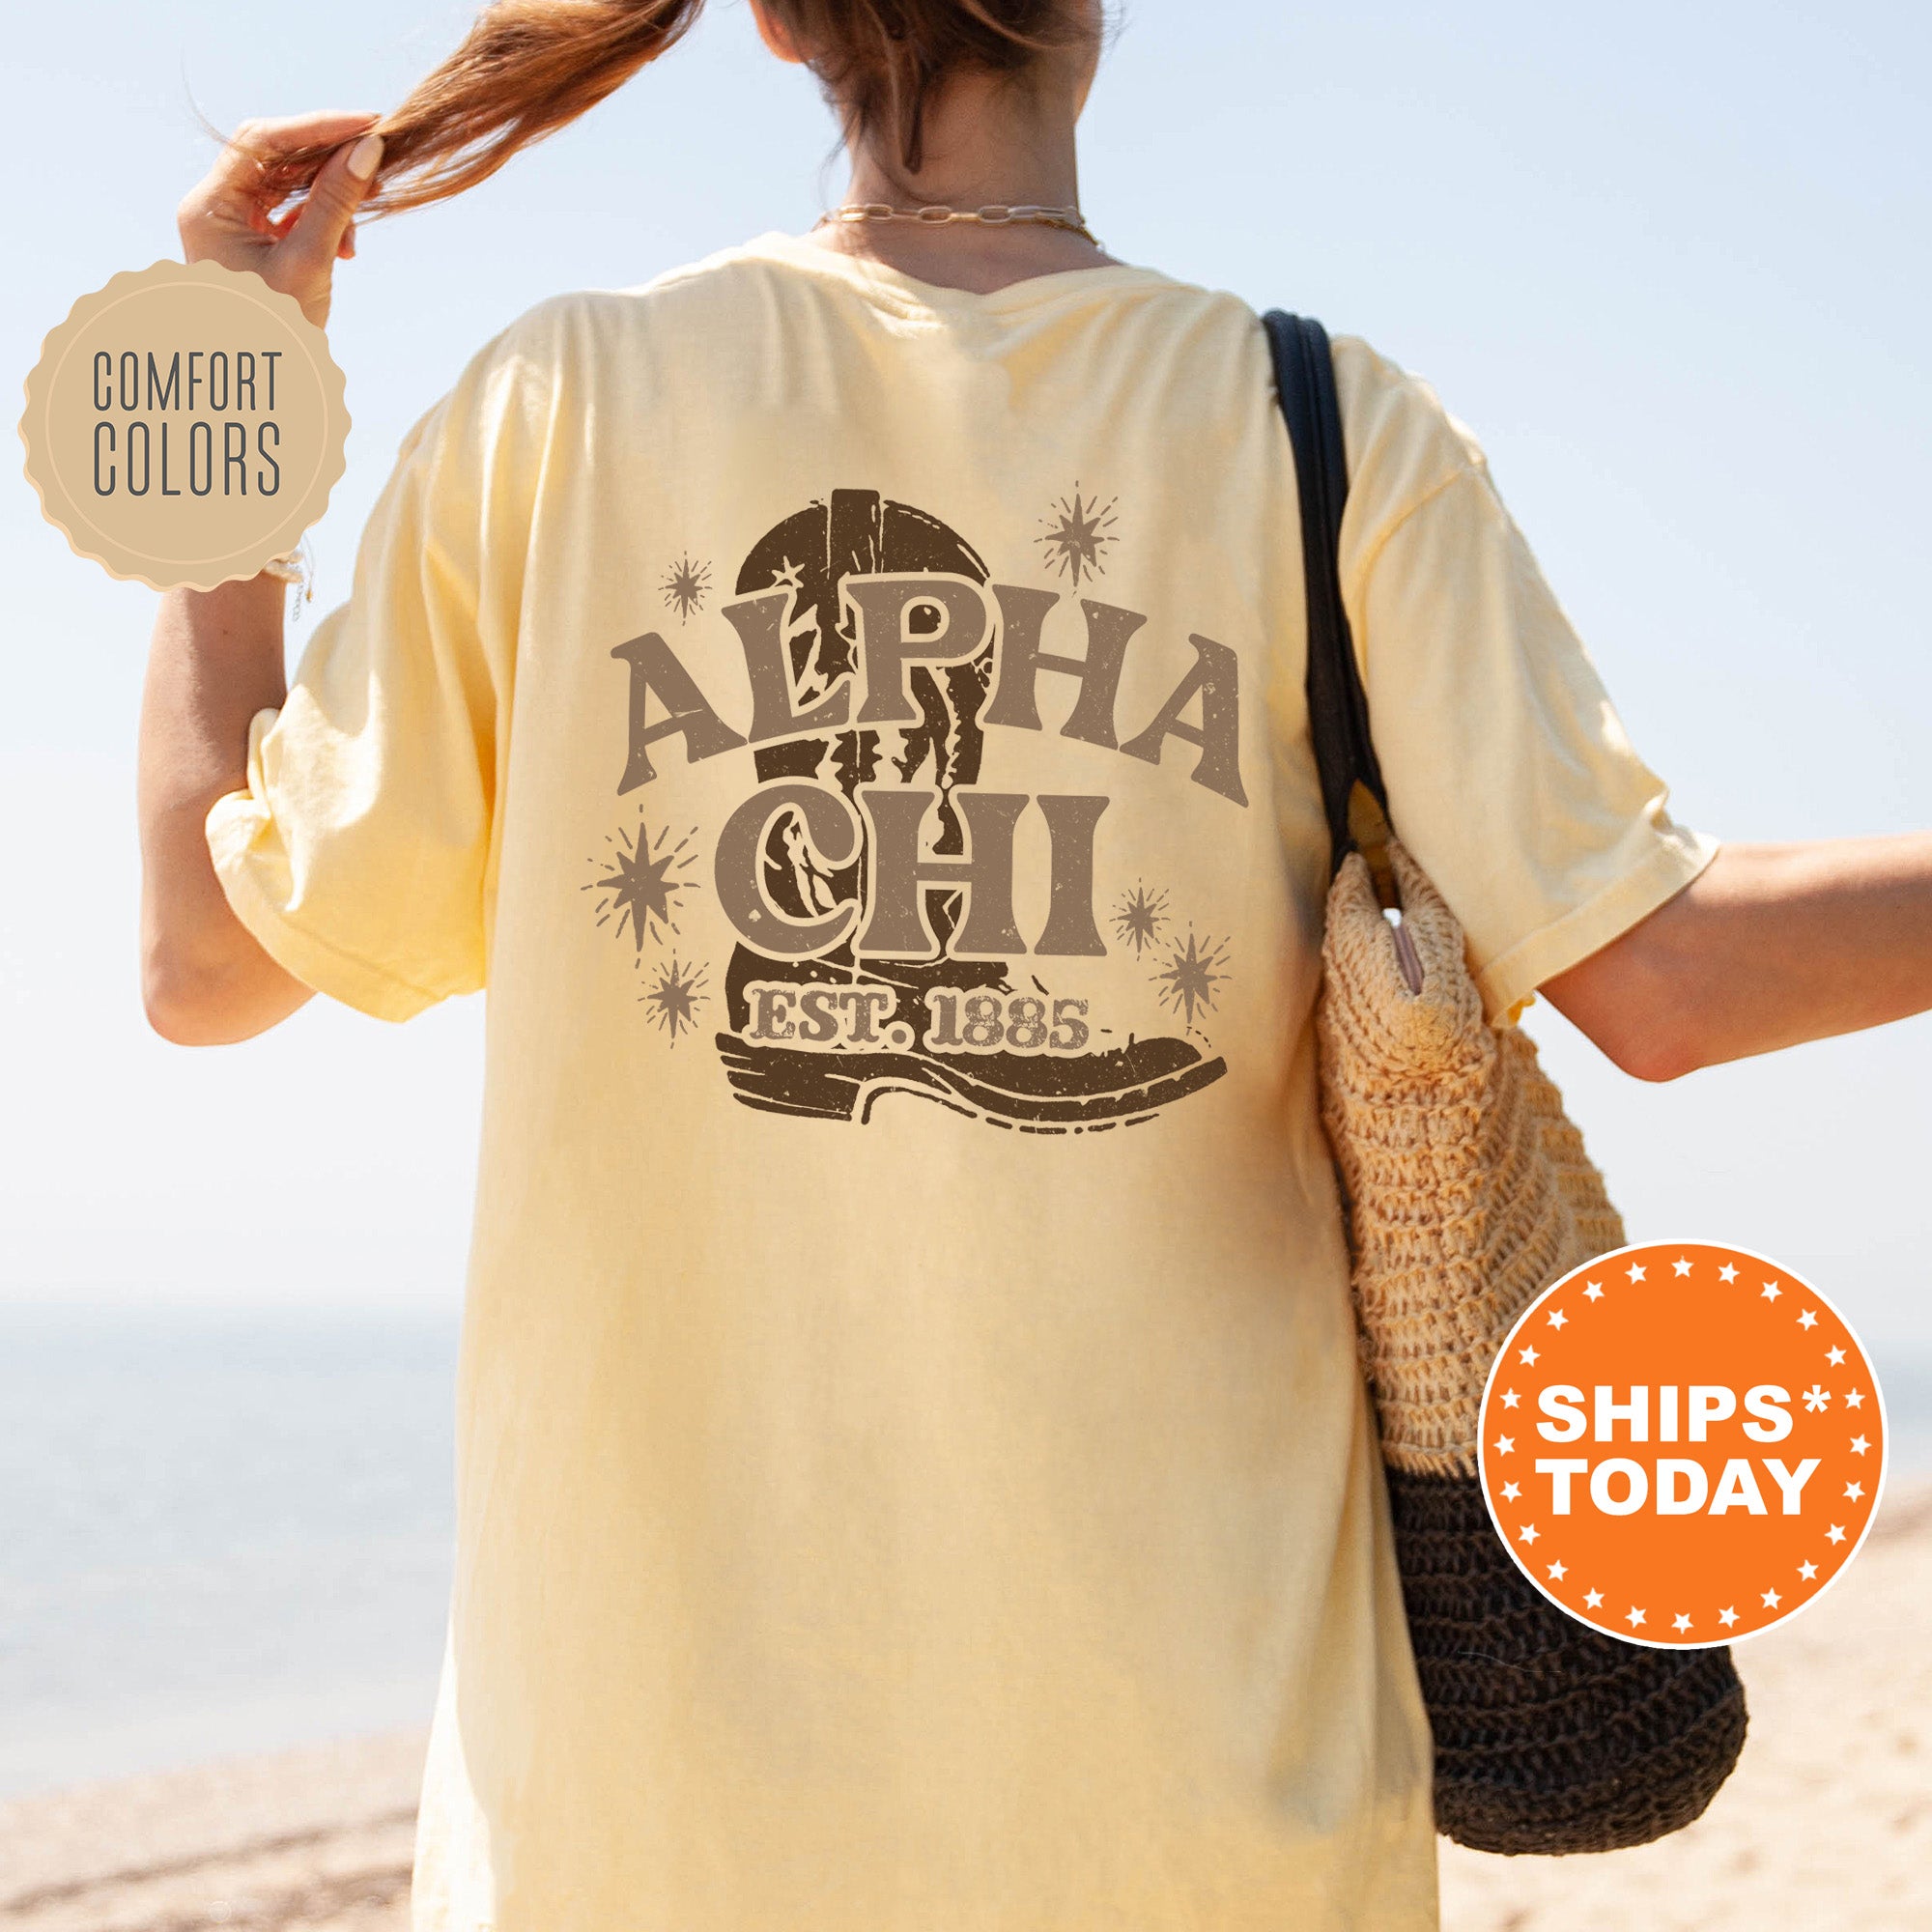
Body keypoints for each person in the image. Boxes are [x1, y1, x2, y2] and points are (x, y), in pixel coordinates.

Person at [139, 3, 1932, 1928]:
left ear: (767, 23)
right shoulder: (1316, 429)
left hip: (638, 1823)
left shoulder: (558, 405)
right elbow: (1661, 983)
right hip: (1208, 1807)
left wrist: (234, 388)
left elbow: (206, 963)